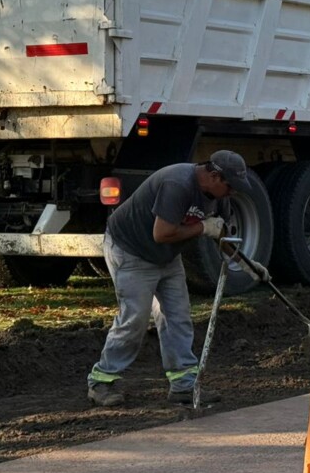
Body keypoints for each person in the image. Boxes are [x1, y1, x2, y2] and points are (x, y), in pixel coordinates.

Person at [86, 150, 250, 408]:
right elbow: (161, 233)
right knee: (135, 319)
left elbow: (221, 233)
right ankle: (101, 382)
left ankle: (184, 385)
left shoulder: (219, 197)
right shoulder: (177, 183)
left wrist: (249, 265)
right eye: (230, 186)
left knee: (178, 317)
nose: (232, 192)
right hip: (131, 251)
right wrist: (203, 227)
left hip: (167, 258)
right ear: (214, 176)